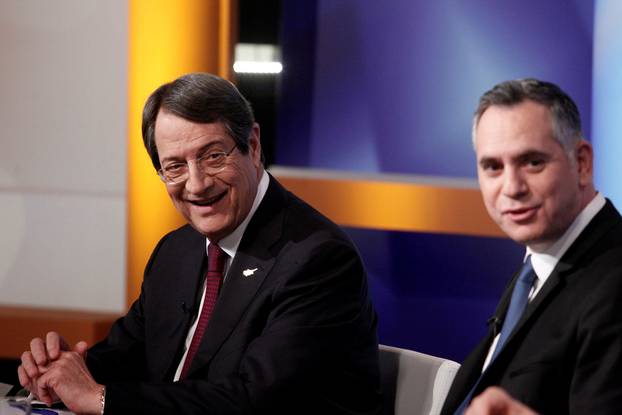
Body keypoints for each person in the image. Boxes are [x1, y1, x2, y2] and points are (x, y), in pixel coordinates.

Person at [17, 73, 382, 415]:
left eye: (212, 156)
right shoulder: (177, 251)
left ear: (252, 146)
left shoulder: (317, 258)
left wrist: (99, 398)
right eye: (174, 166)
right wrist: (61, 371)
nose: (196, 184)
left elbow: (256, 400)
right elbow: (127, 356)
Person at [440, 78, 622, 414]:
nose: (512, 187)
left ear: (581, 162)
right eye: (493, 167)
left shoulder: (613, 281)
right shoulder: (539, 262)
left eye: (532, 162)